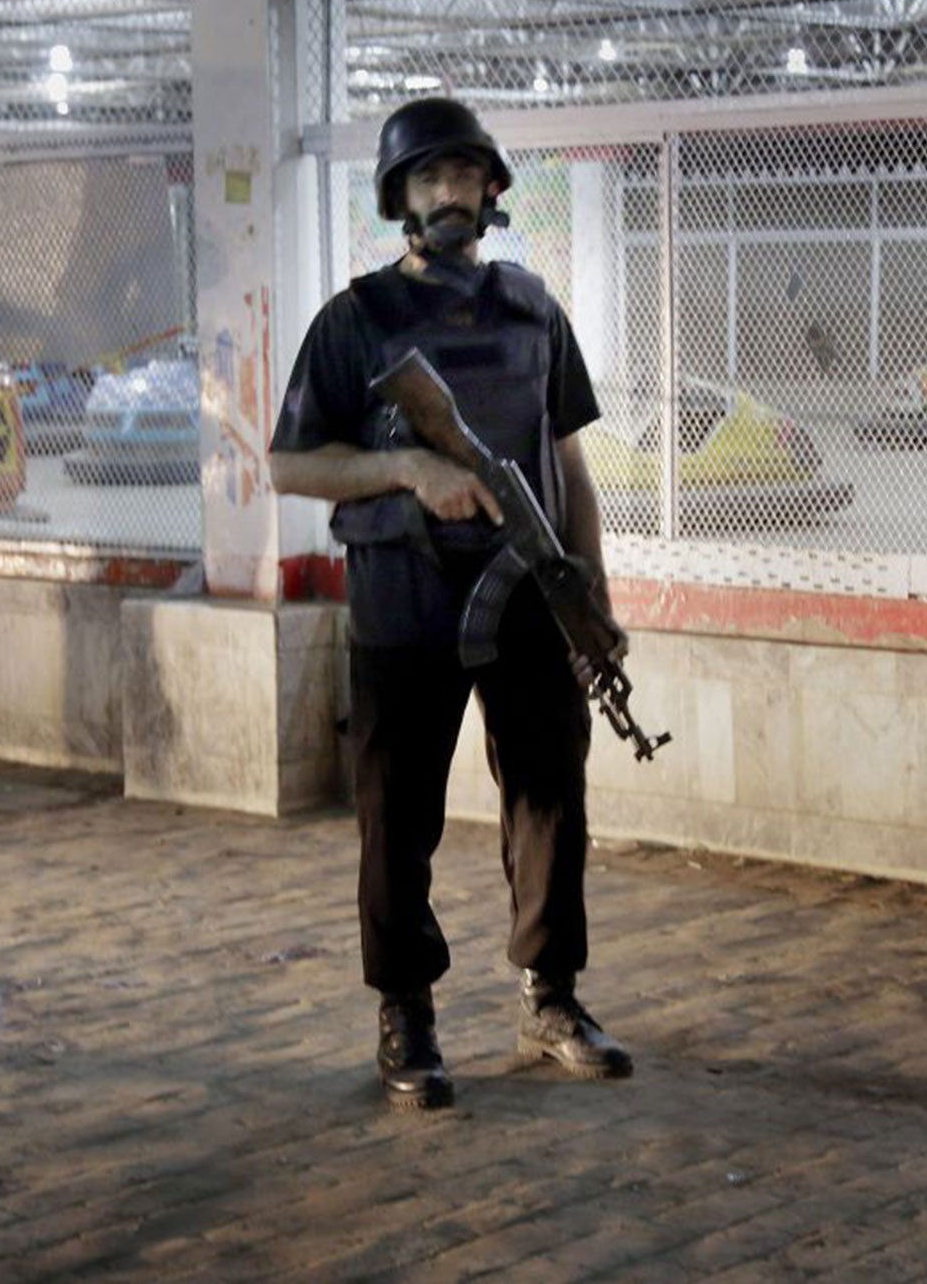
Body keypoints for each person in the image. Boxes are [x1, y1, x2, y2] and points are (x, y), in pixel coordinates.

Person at [268, 97, 632, 1111]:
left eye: (461, 177)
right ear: (398, 198)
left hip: (524, 598)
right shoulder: (354, 321)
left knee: (549, 796)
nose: (445, 195)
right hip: (402, 602)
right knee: (396, 816)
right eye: (425, 180)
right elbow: (290, 465)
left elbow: (568, 463)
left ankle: (551, 995)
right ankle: (405, 1015)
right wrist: (406, 470)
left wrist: (587, 597)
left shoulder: (531, 310)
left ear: (488, 189)